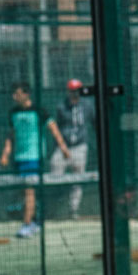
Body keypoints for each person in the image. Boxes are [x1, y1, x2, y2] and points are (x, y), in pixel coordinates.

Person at [0, 81, 71, 238]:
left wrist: (64, 149)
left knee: (29, 191)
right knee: (25, 191)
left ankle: (27, 224)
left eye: (17, 93)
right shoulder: (13, 113)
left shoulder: (40, 111)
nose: (14, 97)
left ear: (26, 94)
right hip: (18, 158)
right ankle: (35, 219)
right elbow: (10, 136)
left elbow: (54, 130)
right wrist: (5, 154)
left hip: (34, 157)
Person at [50, 78, 95, 219]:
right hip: (63, 147)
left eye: (77, 90)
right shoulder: (61, 106)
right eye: (72, 90)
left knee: (78, 179)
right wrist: (61, 146)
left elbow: (94, 122)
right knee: (55, 176)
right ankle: (53, 209)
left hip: (80, 147)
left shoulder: (87, 105)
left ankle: (73, 210)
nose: (75, 93)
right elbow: (57, 126)